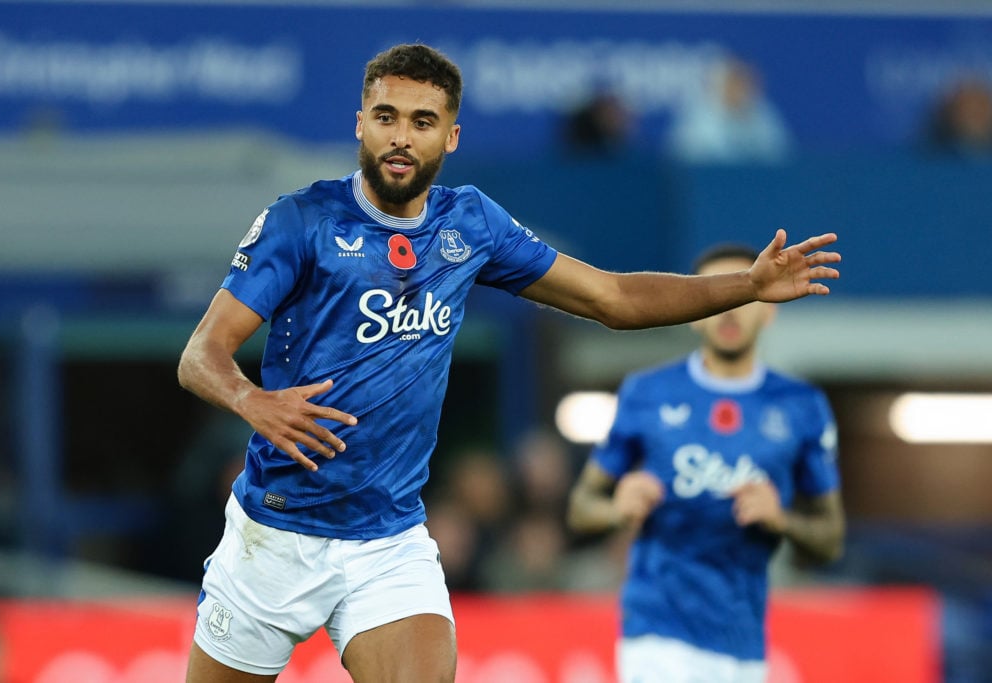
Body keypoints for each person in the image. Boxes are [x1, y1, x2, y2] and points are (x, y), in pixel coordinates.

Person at [176, 42, 841, 683]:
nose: (401, 136)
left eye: (422, 121)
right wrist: (252, 400)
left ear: (451, 137)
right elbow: (201, 354)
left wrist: (745, 286)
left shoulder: (471, 226)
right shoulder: (302, 223)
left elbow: (612, 296)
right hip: (275, 531)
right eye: (386, 117)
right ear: (361, 124)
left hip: (387, 539)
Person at [566, 242, 845, 683]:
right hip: (656, 630)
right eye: (719, 297)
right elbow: (581, 510)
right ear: (694, 312)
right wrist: (616, 508)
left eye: (746, 296)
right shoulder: (647, 393)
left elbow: (829, 540)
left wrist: (782, 520)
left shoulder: (801, 406)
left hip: (743, 639)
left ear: (769, 310)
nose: (730, 312)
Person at [666, 57, 791, 164]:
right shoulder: (698, 119)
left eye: (744, 83)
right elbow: (681, 159)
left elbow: (779, 156)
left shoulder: (764, 115)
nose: (740, 89)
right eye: (734, 82)